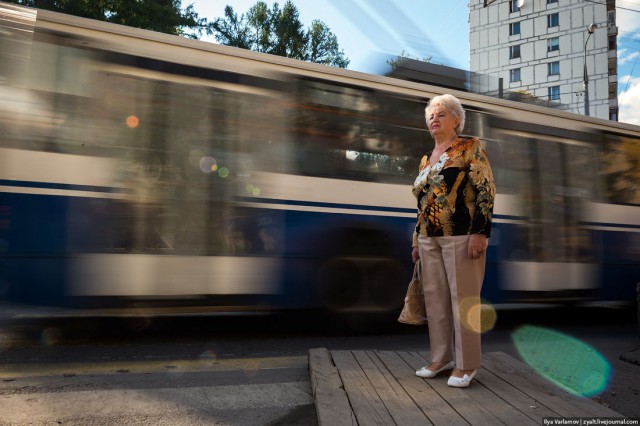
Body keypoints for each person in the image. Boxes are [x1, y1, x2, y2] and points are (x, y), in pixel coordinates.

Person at [411, 94, 495, 388]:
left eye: (442, 114)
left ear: (457, 120)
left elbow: (485, 190)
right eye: (431, 116)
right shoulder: (425, 159)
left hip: (462, 235)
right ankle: (440, 358)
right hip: (428, 238)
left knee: (464, 301)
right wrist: (415, 241)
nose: (434, 119)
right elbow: (422, 203)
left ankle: (467, 365)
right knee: (436, 302)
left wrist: (480, 232)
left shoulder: (470, 148)